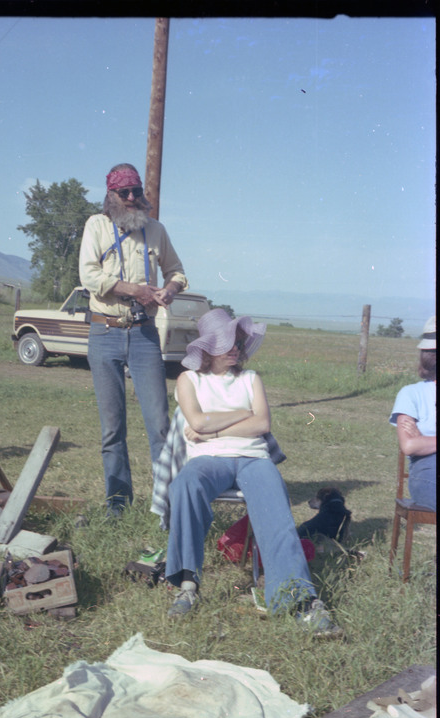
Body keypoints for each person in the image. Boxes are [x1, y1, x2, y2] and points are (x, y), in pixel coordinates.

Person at [163, 307, 342, 636]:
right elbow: (197, 421)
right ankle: (188, 585)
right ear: (208, 348)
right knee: (185, 485)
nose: (236, 347)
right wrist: (238, 415)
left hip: (253, 458)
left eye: (239, 341)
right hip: (208, 461)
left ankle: (300, 601)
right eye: (229, 341)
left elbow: (261, 423)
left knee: (276, 506)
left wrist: (213, 428)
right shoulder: (189, 379)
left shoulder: (250, 378)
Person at [79, 163, 188, 515]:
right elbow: (89, 275)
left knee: (159, 424)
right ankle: (118, 508)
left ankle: (167, 508)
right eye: (122, 192)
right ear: (110, 196)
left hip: (143, 335)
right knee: (112, 429)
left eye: (135, 191)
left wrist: (169, 290)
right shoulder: (96, 226)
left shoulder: (156, 230)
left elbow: (177, 272)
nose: (130, 198)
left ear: (143, 193)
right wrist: (136, 290)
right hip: (104, 332)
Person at [389, 315, 436, 511]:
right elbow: (409, 445)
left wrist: (425, 440)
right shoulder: (411, 393)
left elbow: (417, 443)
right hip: (428, 471)